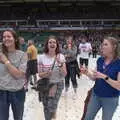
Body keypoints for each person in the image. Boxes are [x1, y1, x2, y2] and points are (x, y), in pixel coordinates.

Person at [81, 36, 120, 120]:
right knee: (87, 118)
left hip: (110, 99)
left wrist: (104, 77)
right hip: (95, 95)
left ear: (114, 47)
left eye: (105, 44)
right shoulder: (100, 60)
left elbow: (118, 86)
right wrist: (87, 73)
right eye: (102, 44)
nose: (102, 46)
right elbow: (95, 78)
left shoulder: (118, 63)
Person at [0, 29, 27, 120]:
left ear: (15, 39)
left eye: (9, 36)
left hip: (17, 92)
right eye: (4, 37)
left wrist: (6, 61)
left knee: (18, 118)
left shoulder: (22, 55)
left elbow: (18, 75)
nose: (6, 38)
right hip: (1, 92)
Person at [38, 35, 67, 120]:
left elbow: (64, 74)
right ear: (47, 44)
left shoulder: (60, 56)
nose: (52, 44)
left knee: (51, 106)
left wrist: (60, 63)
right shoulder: (41, 57)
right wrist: (46, 73)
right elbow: (40, 74)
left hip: (57, 84)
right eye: (50, 42)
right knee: (46, 106)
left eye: (54, 42)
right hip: (45, 85)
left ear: (57, 45)